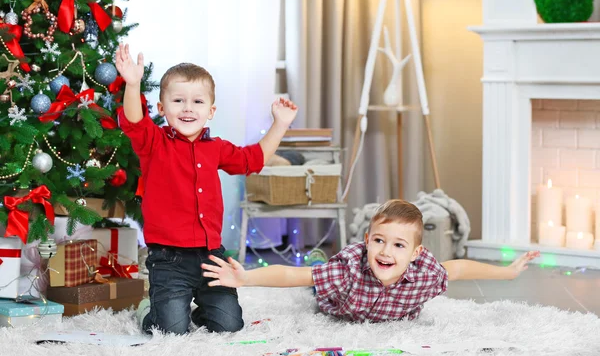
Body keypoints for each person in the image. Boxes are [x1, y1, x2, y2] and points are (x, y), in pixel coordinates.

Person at [115, 43, 298, 334]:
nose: (188, 108)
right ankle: (152, 310)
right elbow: (134, 122)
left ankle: (198, 305)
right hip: (169, 258)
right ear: (162, 108)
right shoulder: (154, 142)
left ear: (210, 111)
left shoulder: (217, 148)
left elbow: (252, 161)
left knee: (229, 325)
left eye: (198, 102)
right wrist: (133, 84)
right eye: (178, 101)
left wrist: (281, 124)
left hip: (212, 255)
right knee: (170, 329)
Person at [202, 199, 540, 323]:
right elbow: (295, 275)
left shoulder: (426, 273)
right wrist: (247, 278)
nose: (385, 252)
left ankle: (322, 256)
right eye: (378, 241)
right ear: (367, 241)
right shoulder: (347, 270)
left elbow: (461, 267)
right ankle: (323, 254)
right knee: (318, 273)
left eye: (397, 245)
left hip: (390, 307)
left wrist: (507, 273)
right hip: (338, 300)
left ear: (416, 253)